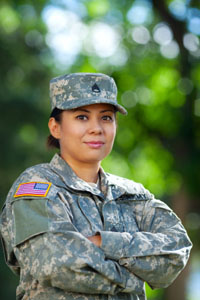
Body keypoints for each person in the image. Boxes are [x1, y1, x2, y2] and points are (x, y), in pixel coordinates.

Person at [0, 73, 192, 300]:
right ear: (55, 127)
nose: (96, 128)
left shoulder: (133, 195)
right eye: (82, 117)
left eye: (106, 118)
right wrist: (134, 278)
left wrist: (104, 242)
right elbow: (57, 265)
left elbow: (176, 249)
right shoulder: (36, 186)